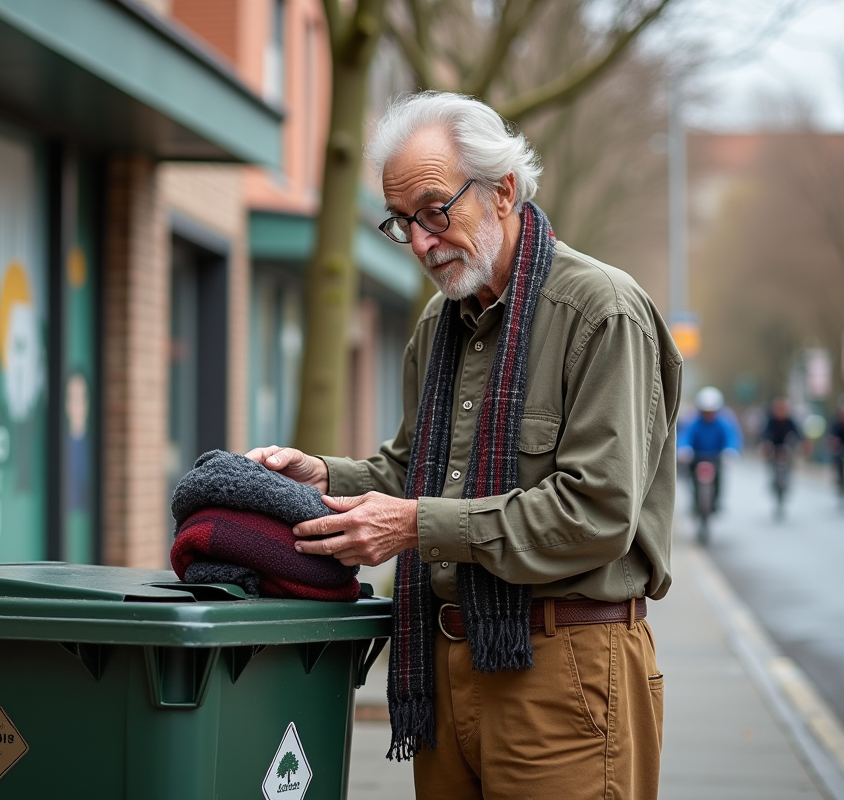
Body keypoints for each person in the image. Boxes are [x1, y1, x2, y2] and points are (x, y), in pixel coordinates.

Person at [246, 91, 681, 799]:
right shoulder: (439, 323)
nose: (419, 242)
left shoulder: (602, 311)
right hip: (446, 676)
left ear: (503, 191)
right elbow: (413, 469)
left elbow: (597, 513)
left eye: (434, 210)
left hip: (566, 668)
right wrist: (322, 472)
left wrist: (417, 526)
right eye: (401, 222)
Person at [677, 386, 742, 509]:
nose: (708, 414)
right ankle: (696, 502)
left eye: (711, 411)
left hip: (715, 457)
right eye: (705, 411)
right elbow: (685, 436)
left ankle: (716, 500)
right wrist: (684, 449)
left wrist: (731, 450)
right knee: (692, 478)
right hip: (697, 456)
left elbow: (731, 437)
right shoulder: (693, 421)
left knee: (718, 477)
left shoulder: (724, 422)